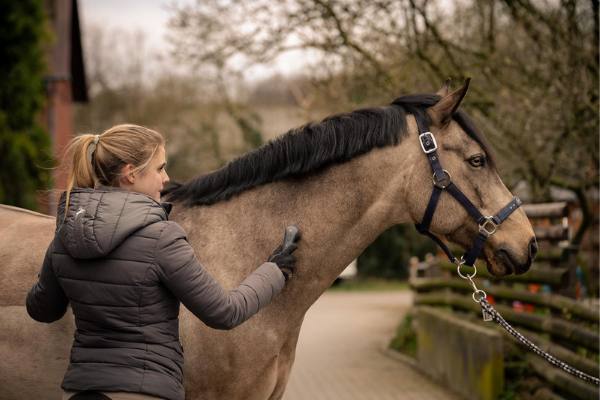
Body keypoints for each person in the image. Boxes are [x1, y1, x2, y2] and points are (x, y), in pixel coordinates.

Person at [26, 124, 299, 400]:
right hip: (144, 391)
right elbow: (224, 312)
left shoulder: (65, 238)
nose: (166, 178)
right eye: (159, 168)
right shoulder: (160, 238)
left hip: (78, 392)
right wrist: (274, 271)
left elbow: (41, 310)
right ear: (130, 173)